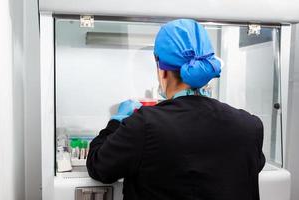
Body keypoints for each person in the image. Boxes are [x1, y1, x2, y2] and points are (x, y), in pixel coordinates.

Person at [87, 19, 265, 200]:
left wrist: (117, 121)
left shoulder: (144, 124)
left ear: (161, 70)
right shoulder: (250, 126)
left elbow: (99, 166)